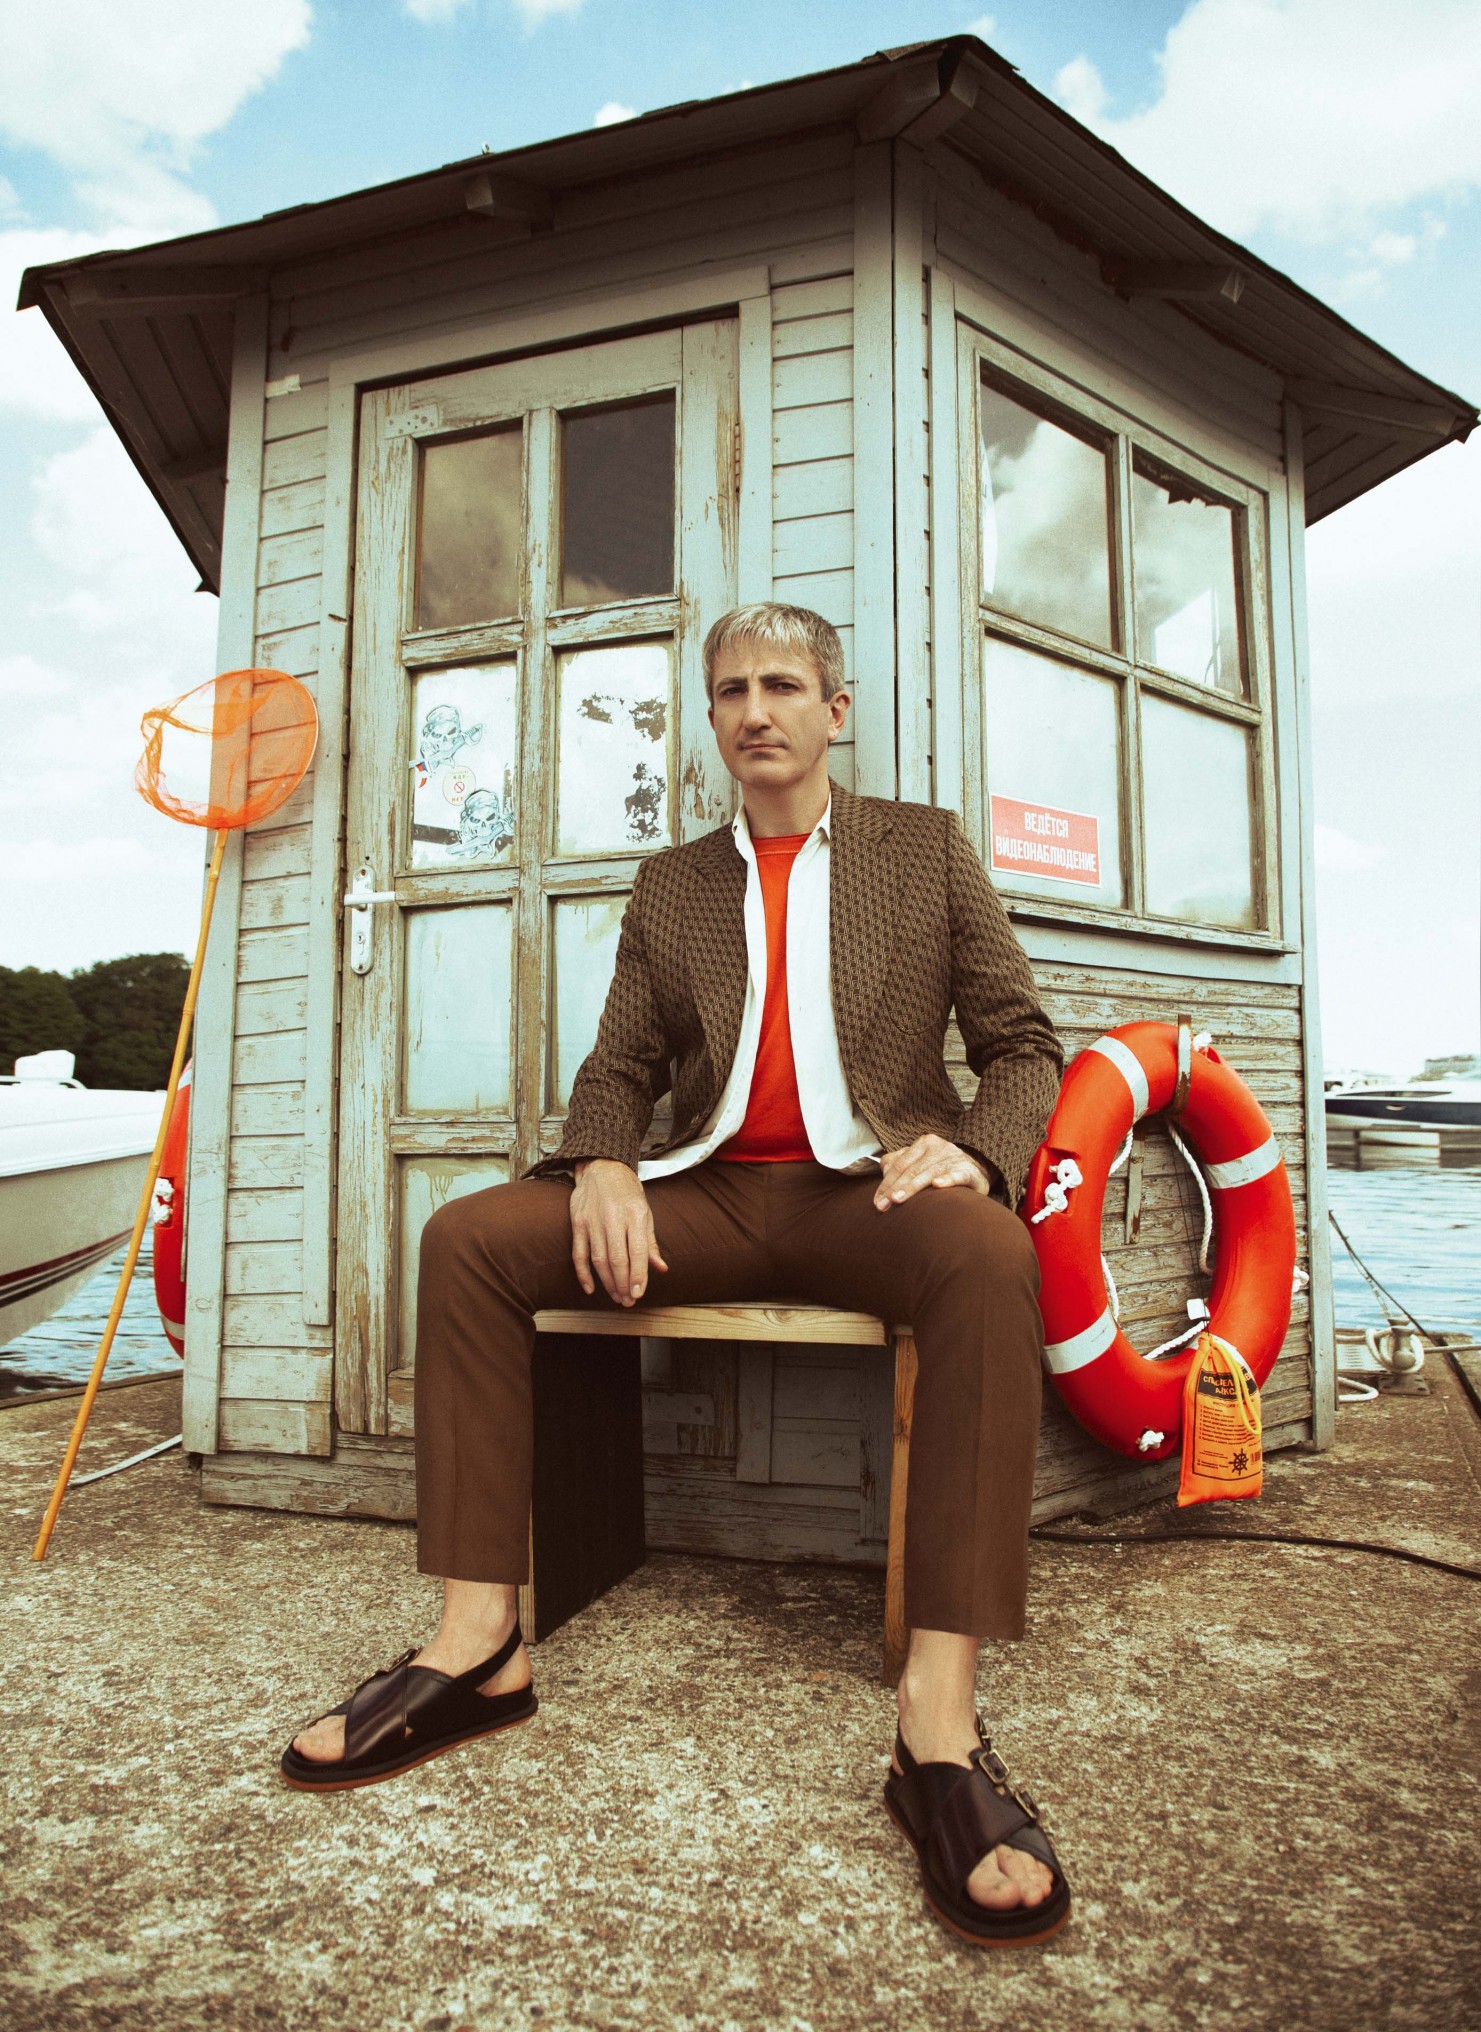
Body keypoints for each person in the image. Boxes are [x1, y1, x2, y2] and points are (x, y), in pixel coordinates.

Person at [281, 603, 1071, 1947]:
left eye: (782, 686)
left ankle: (936, 1728)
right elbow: (620, 1065)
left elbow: (1023, 1044)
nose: (755, 710)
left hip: (867, 1194)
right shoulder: (675, 884)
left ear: (834, 710)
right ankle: (480, 1643)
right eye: (729, 691)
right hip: (701, 1190)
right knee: (468, 1238)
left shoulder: (923, 850)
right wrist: (601, 1159)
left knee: (990, 1255)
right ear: (710, 721)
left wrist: (977, 1156)